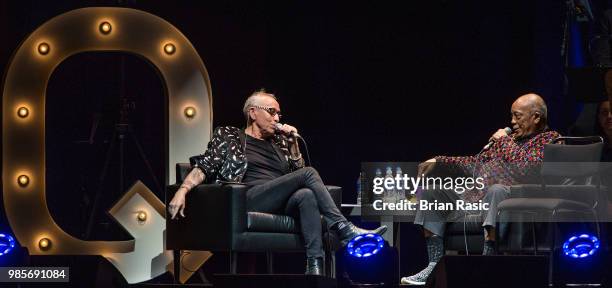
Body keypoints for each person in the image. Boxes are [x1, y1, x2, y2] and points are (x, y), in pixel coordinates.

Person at [168, 89, 386, 275]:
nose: (277, 118)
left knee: (306, 195)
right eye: (271, 112)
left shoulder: (280, 141)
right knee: (309, 174)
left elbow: (300, 178)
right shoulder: (229, 135)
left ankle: (314, 267)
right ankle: (344, 229)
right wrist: (183, 190)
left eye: (279, 114)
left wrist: (293, 146)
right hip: (246, 198)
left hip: (279, 199)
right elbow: (205, 166)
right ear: (252, 113)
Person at [401, 93, 560, 285]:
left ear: (536, 117)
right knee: (432, 192)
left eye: (517, 116)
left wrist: (503, 140)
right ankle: (434, 266)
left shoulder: (550, 139)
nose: (512, 122)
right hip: (476, 196)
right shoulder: (511, 140)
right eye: (511, 116)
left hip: (511, 200)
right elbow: (474, 163)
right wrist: (440, 161)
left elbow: (526, 168)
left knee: (496, 190)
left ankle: (488, 260)